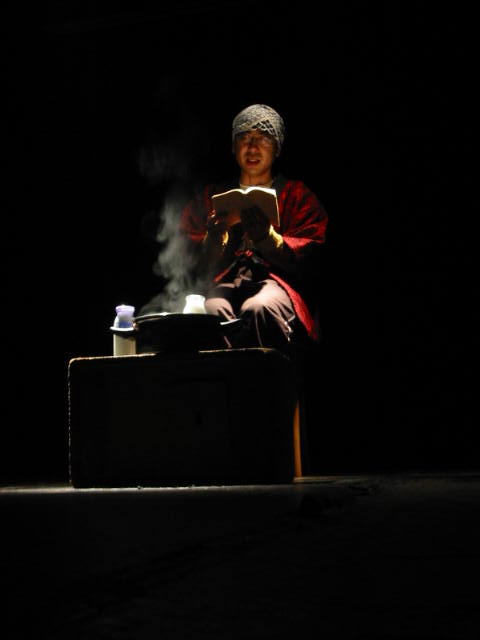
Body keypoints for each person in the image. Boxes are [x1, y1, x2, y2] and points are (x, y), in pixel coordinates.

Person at [178, 103, 328, 353]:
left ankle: (267, 377)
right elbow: (187, 254)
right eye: (244, 138)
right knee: (211, 311)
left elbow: (312, 253)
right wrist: (213, 241)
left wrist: (269, 238)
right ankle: (225, 378)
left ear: (277, 148)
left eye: (263, 138)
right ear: (233, 146)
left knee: (259, 308)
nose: (252, 147)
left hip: (275, 284)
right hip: (225, 282)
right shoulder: (211, 197)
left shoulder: (297, 196)